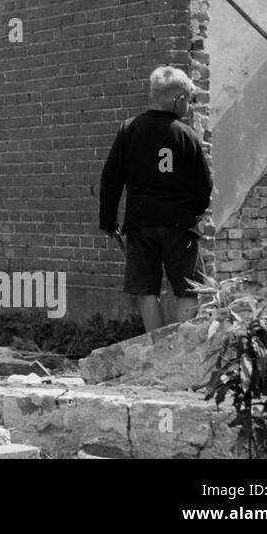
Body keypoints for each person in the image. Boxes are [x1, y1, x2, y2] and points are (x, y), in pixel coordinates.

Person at [99, 65, 213, 333]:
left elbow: (111, 178)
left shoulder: (129, 130)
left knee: (146, 289)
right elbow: (204, 184)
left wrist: (108, 219)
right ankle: (184, 349)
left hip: (141, 223)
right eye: (189, 100)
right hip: (179, 223)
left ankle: (158, 349)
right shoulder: (187, 135)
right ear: (180, 101)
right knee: (187, 287)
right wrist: (195, 212)